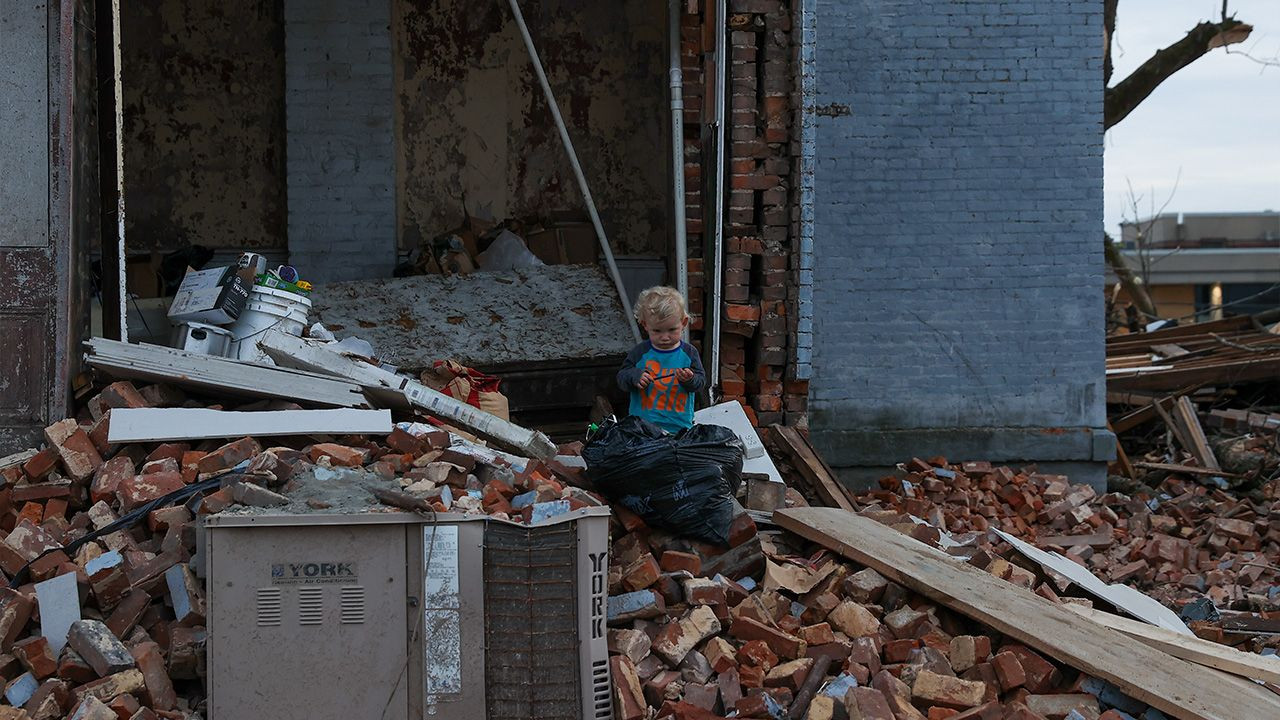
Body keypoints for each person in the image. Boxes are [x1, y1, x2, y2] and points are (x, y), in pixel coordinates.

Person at [616, 286, 707, 433]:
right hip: (642, 429)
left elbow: (700, 383)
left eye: (672, 330)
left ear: (683, 323)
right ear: (645, 325)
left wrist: (690, 379)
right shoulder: (640, 352)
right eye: (657, 331)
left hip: (679, 429)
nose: (665, 337)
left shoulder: (689, 353)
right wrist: (635, 376)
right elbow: (621, 378)